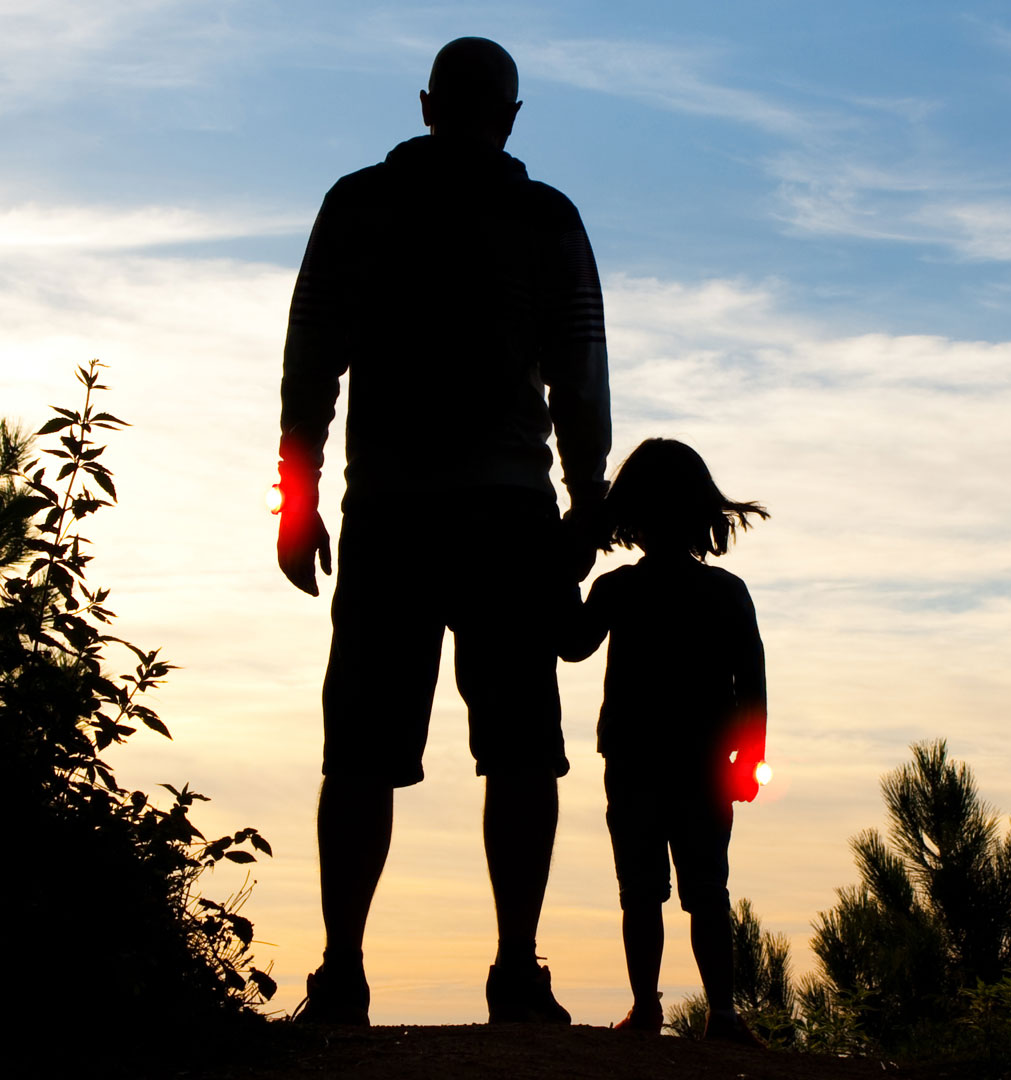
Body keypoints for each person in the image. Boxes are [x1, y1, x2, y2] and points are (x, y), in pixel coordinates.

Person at [276, 37, 611, 1025]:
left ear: (427, 104)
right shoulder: (545, 220)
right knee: (519, 748)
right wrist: (588, 500)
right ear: (510, 115)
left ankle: (343, 971)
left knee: (362, 751)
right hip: (508, 514)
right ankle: (515, 969)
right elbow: (582, 376)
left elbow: (309, 367)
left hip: (390, 509)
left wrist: (297, 503)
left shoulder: (359, 205)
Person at [559, 438, 769, 1045]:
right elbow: (751, 684)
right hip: (695, 765)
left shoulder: (617, 589)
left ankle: (650, 1008)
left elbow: (570, 643)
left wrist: (564, 570)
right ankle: (721, 1015)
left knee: (642, 890)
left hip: (635, 762)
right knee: (706, 889)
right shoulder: (725, 593)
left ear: (631, 517)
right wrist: (749, 758)